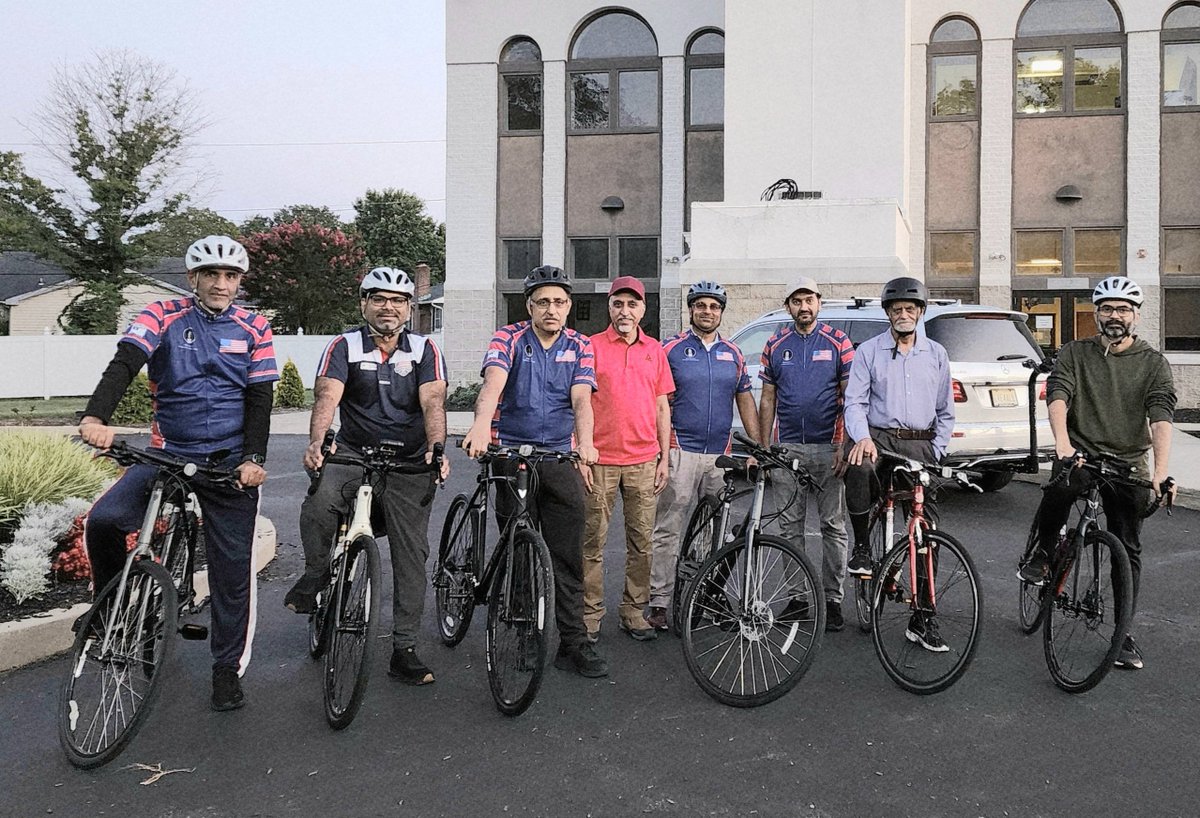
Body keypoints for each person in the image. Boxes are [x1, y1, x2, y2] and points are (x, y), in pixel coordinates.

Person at [79, 235, 277, 711]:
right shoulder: (161, 314)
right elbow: (125, 363)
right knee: (104, 520)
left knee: (232, 570)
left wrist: (253, 458)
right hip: (169, 450)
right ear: (193, 278)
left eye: (230, 276)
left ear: (240, 281)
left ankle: (226, 669)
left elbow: (260, 398)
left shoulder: (255, 326)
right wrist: (95, 418)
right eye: (211, 274)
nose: (221, 284)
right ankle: (109, 611)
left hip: (228, 461)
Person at [285, 267, 449, 686]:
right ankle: (317, 571)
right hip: (354, 452)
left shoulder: (425, 349)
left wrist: (436, 448)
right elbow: (328, 395)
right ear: (364, 304)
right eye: (379, 298)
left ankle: (404, 648)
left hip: (409, 458)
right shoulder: (343, 345)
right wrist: (317, 441)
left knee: (413, 553)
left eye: (398, 300)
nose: (388, 307)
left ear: (410, 308)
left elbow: (432, 401)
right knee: (320, 504)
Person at [1019, 275, 1176, 670]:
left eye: (1123, 309)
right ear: (1096, 313)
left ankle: (1122, 632)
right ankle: (1044, 552)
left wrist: (1160, 472)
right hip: (1082, 452)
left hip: (1129, 459)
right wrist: (1063, 443)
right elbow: (1059, 396)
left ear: (1136, 316)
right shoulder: (1076, 352)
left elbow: (1160, 418)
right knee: (1060, 486)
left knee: (1128, 548)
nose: (1114, 316)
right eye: (1106, 308)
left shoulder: (1153, 363)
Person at [462, 265, 608, 677]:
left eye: (560, 302)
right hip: (512, 453)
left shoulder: (580, 345)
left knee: (567, 556)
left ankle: (573, 643)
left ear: (568, 307)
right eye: (543, 301)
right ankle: (526, 632)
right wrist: (478, 426)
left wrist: (587, 445)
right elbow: (493, 384)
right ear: (529, 306)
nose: (552, 309)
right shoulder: (508, 338)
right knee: (519, 548)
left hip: (558, 455)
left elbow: (582, 400)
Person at [842, 276, 954, 652]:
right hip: (879, 439)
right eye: (896, 310)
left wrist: (937, 449)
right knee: (858, 470)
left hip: (921, 444)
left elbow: (945, 410)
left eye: (910, 309)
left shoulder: (936, 354)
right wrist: (862, 438)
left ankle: (923, 617)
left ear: (920, 313)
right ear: (888, 314)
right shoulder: (869, 352)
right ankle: (861, 547)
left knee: (926, 532)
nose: (903, 315)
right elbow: (854, 402)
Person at [645, 281, 759, 631]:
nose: (707, 311)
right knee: (669, 529)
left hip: (719, 456)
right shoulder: (672, 349)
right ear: (691, 309)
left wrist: (757, 448)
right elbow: (656, 400)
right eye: (701, 306)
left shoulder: (733, 353)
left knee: (713, 532)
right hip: (680, 450)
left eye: (714, 306)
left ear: (721, 312)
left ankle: (703, 596)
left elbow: (744, 399)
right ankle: (659, 602)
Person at [758, 277, 855, 632]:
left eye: (809, 300)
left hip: (829, 449)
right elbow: (767, 398)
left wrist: (845, 444)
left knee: (833, 526)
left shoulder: (838, 341)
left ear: (819, 303)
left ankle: (833, 599)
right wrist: (766, 449)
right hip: (788, 451)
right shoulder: (775, 343)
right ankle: (798, 598)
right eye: (797, 301)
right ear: (788, 306)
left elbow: (851, 398)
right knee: (789, 528)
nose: (804, 306)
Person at [582, 276, 675, 642]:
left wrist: (665, 458)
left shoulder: (655, 350)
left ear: (643, 309)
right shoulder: (590, 347)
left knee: (642, 543)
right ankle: (590, 615)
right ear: (609, 307)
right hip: (600, 461)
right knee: (592, 543)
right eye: (618, 304)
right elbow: (578, 403)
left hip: (643, 461)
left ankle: (634, 612)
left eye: (632, 304)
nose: (625, 311)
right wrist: (582, 453)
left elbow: (661, 407)